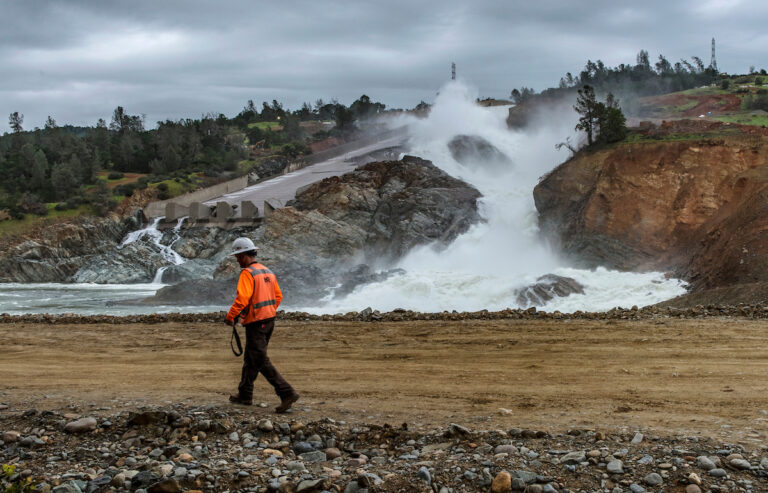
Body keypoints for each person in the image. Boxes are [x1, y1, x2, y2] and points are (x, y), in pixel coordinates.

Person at [225, 237, 299, 413]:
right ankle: (244, 394)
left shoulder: (247, 273)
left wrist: (231, 316)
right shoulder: (267, 272)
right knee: (251, 358)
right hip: (269, 320)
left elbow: (242, 299)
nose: (236, 260)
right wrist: (267, 311)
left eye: (237, 256)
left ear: (243, 255)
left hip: (257, 323)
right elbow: (278, 296)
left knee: (259, 359)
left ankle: (286, 392)